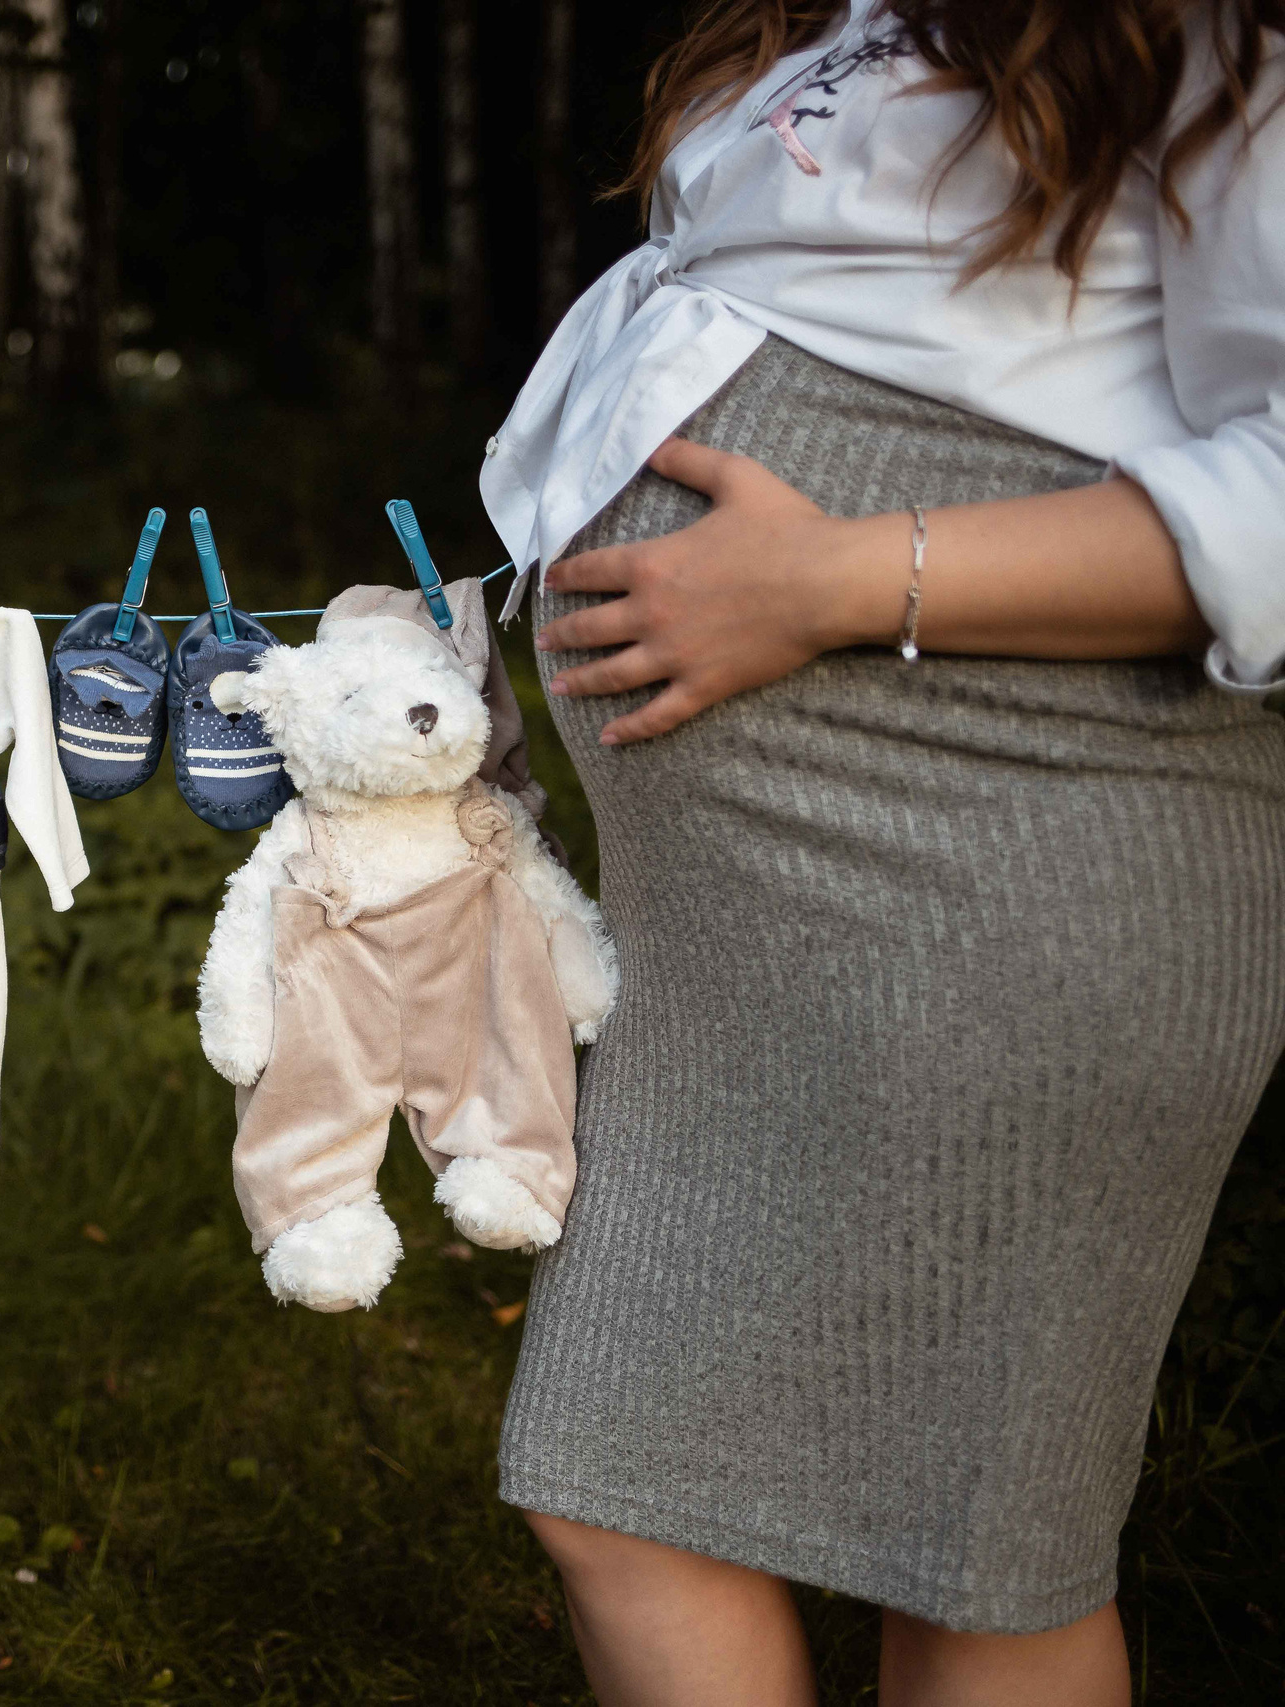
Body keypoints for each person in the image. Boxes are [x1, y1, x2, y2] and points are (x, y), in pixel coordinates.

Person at [481, 1, 1284, 1703]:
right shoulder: (853, 19)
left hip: (1023, 852)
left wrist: (846, 581)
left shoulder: (1219, 31)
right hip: (763, 929)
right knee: (628, 1497)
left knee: (980, 1562)